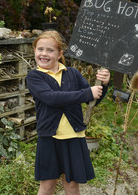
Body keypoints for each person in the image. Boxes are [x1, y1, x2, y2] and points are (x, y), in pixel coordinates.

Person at [26, 30, 110, 195]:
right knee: (47, 186)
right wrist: (87, 93)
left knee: (72, 186)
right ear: (34, 51)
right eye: (40, 49)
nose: (44, 54)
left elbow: (91, 100)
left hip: (73, 137)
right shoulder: (34, 77)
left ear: (59, 54)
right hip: (49, 138)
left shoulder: (73, 73)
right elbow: (52, 98)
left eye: (50, 50)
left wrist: (104, 85)